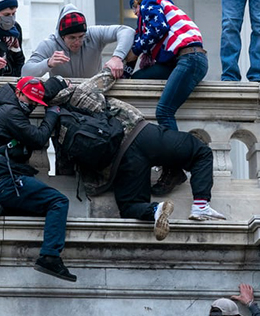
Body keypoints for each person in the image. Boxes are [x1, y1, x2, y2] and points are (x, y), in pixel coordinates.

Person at [43, 72, 226, 241]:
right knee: (200, 152)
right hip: (141, 134)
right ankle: (200, 205)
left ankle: (155, 210)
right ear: (64, 86)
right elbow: (110, 75)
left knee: (130, 206)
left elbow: (66, 164)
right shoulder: (81, 91)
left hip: (120, 162)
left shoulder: (55, 122)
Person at [0, 76, 75, 282]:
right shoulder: (11, 113)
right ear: (18, 93)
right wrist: (51, 114)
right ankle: (50, 256)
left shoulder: (9, 107)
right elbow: (39, 138)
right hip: (4, 181)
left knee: (41, 204)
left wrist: (61, 82)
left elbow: (43, 90)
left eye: (35, 103)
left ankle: (6, 208)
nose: (31, 105)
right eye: (29, 100)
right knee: (58, 201)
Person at [124, 0, 208, 196]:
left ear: (137, 1)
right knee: (140, 78)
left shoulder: (149, 2)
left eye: (134, 8)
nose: (135, 13)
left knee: (164, 110)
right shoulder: (161, 3)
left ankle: (174, 168)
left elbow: (157, 29)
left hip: (190, 59)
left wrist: (135, 50)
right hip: (182, 60)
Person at [21, 4, 134, 79]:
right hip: (63, 98)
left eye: (81, 36)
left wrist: (117, 57)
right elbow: (25, 72)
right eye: (72, 38)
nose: (77, 42)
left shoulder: (93, 34)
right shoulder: (50, 44)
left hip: (93, 94)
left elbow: (127, 31)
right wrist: (48, 63)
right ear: (62, 36)